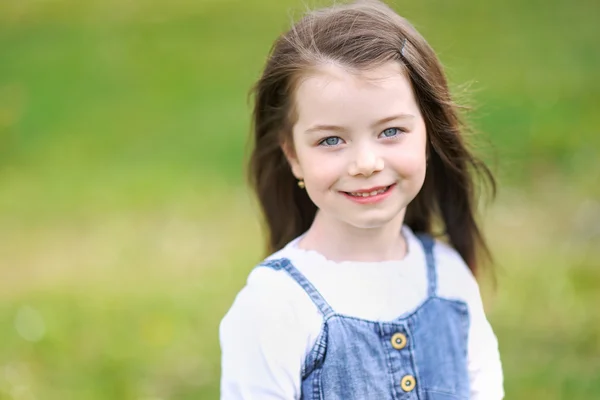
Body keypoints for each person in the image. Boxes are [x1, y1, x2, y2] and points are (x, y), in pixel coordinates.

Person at [219, 0, 504, 398]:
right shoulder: (275, 305)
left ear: (428, 135)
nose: (366, 163)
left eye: (390, 131)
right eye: (331, 140)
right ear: (293, 156)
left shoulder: (449, 278)